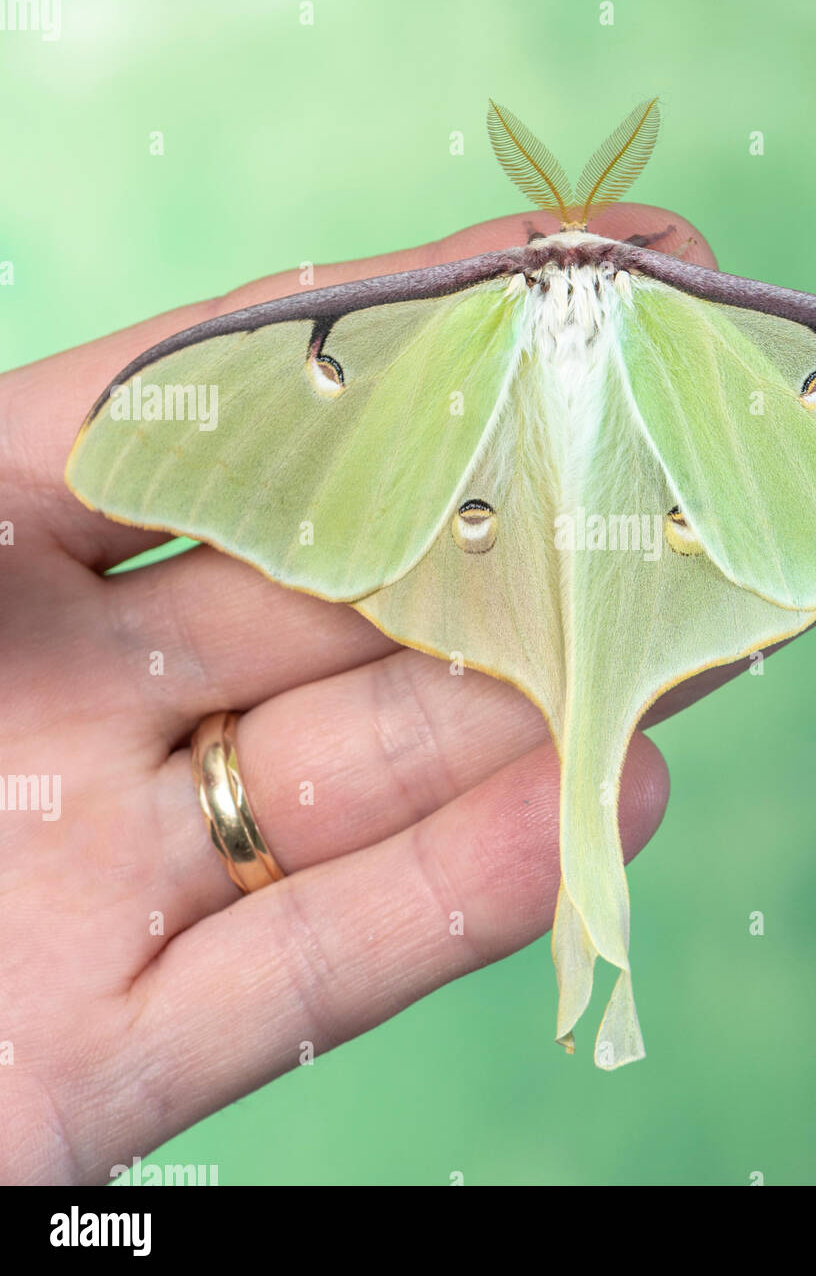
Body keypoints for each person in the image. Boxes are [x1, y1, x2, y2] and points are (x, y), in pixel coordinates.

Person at [0, 204, 776, 1184]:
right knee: (585, 729)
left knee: (600, 713)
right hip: (474, 528)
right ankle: (603, 992)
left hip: (607, 520)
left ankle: (601, 985)